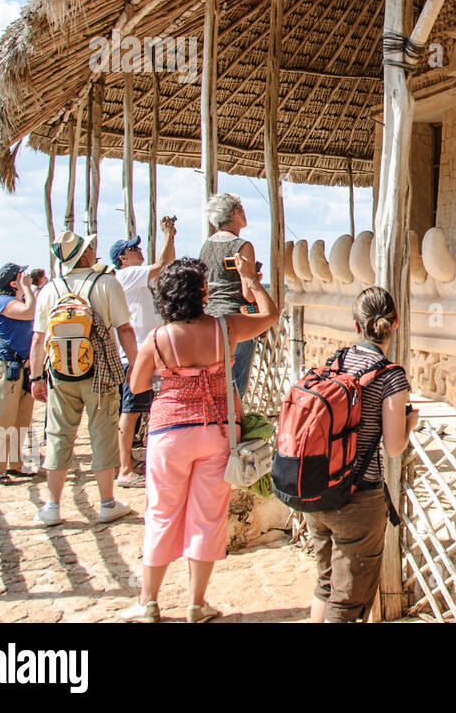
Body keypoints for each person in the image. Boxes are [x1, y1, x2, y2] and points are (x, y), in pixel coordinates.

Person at [120, 256, 278, 623]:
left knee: (160, 514)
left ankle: (148, 602)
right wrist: (249, 280)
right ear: (202, 293)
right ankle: (196, 603)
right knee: (208, 518)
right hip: (219, 432)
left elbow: (138, 386)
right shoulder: (225, 328)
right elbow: (269, 316)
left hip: (169, 432)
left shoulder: (158, 338)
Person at [305, 286, 417, 623]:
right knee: (349, 600)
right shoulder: (390, 376)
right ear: (394, 324)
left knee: (325, 584)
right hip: (358, 496)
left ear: (356, 326)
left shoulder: (335, 361)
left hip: (319, 487)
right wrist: (409, 423)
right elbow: (394, 446)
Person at [28, 231, 138, 527]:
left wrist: (36, 377)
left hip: (60, 373)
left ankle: (52, 506)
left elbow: (39, 339)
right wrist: (136, 365)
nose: (93, 250)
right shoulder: (106, 284)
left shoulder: (49, 290)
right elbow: (124, 330)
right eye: (89, 247)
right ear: (84, 256)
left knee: (60, 434)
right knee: (102, 433)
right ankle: (106, 502)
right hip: (101, 372)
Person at [111, 217, 178, 488]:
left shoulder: (138, 279)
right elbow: (161, 265)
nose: (138, 251)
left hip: (147, 354)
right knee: (131, 410)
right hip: (135, 355)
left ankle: (135, 462)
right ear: (122, 259)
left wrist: (170, 236)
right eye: (132, 249)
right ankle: (125, 468)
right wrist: (165, 234)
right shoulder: (127, 276)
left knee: (143, 408)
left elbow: (166, 266)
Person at [199, 193, 259, 398]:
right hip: (236, 319)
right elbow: (248, 294)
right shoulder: (241, 246)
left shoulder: (206, 246)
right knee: (234, 390)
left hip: (208, 320)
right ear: (236, 212)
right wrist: (255, 278)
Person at [0, 264, 38, 483]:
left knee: (20, 417)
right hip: (7, 366)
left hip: (21, 367)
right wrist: (28, 288)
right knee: (3, 417)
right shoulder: (3, 303)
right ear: (13, 283)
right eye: (20, 276)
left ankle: (14, 463)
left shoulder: (13, 302)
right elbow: (30, 312)